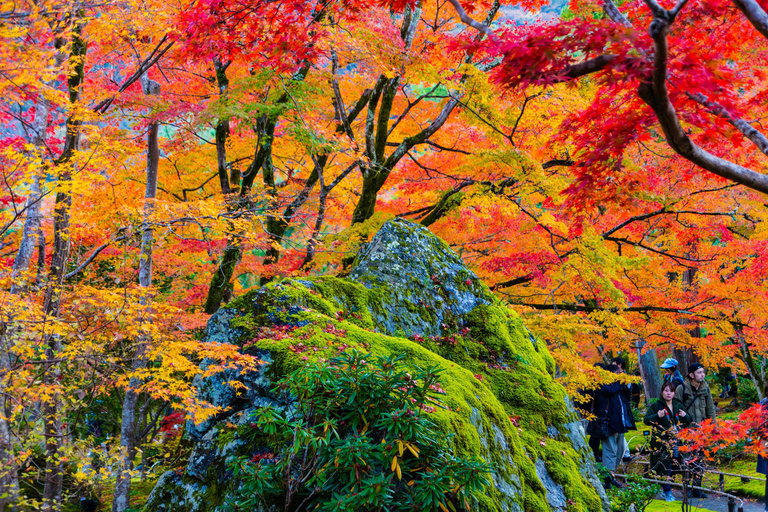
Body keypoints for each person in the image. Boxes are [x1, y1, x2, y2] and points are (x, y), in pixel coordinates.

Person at [644, 381, 691, 502]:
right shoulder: (656, 406)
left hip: (677, 440)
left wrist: (685, 416)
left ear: (674, 392)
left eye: (671, 391)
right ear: (662, 392)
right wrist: (657, 416)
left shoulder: (677, 404)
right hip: (661, 442)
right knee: (665, 465)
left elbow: (688, 420)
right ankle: (667, 492)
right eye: (666, 391)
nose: (668, 393)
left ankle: (682, 490)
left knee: (678, 465)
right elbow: (646, 420)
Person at [674, 362, 716, 498]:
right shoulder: (682, 388)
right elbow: (675, 407)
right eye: (699, 372)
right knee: (686, 459)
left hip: (702, 430)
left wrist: (712, 427)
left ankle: (697, 487)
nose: (702, 374)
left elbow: (710, 409)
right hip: (686, 431)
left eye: (703, 372)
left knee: (700, 459)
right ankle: (686, 488)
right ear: (691, 375)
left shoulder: (705, 388)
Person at [593, 364, 636, 480]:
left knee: (620, 451)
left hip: (620, 424)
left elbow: (628, 396)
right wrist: (620, 382)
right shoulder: (603, 385)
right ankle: (607, 478)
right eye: (617, 374)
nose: (619, 376)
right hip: (608, 423)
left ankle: (611, 475)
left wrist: (626, 384)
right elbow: (610, 390)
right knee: (610, 451)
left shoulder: (618, 387)